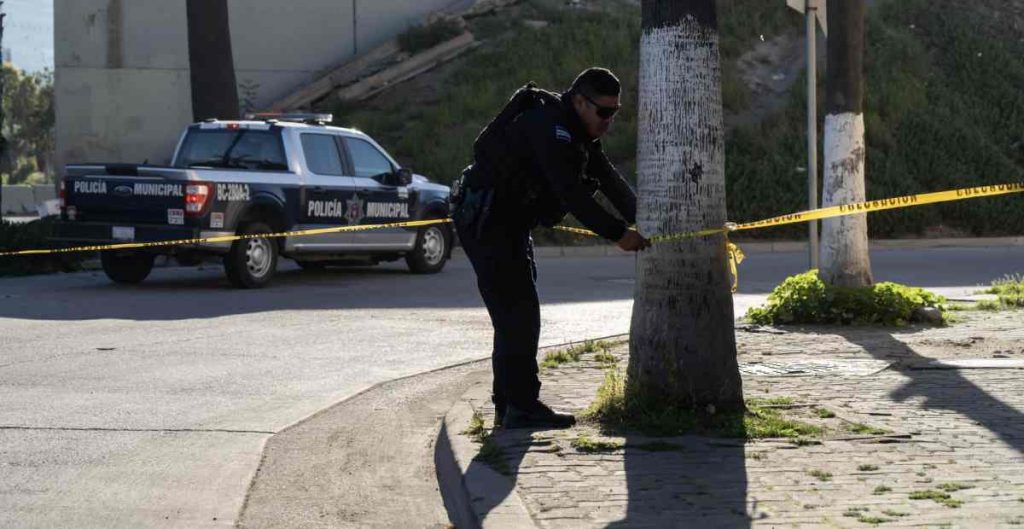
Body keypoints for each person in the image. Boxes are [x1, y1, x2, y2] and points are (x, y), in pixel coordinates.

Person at [452, 67, 650, 429]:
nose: (608, 120)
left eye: (614, 113)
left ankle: (509, 405)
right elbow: (570, 192)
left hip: (506, 222)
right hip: (487, 221)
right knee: (520, 314)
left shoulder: (578, 132)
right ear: (579, 101)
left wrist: (646, 220)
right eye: (603, 112)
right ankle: (520, 407)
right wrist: (618, 233)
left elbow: (606, 177)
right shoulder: (551, 128)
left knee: (515, 315)